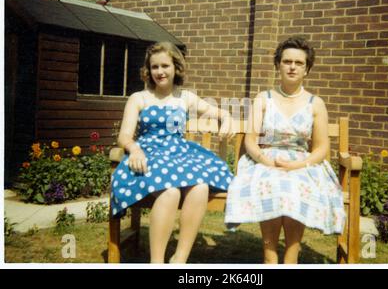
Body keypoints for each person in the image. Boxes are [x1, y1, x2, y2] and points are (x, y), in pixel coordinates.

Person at [224, 36, 345, 264]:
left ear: (307, 69)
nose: (292, 67)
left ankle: (291, 258)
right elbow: (250, 141)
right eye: (287, 61)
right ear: (278, 65)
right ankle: (269, 257)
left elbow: (321, 148)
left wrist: (298, 165)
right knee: (272, 184)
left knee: (294, 186)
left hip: (301, 162)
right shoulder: (264, 98)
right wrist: (265, 161)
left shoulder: (315, 103)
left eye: (299, 63)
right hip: (264, 158)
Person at [111, 41, 234, 263]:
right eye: (154, 67)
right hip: (148, 154)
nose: (159, 72)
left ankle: (179, 259)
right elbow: (124, 136)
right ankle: (156, 263)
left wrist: (226, 119)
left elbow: (218, 112)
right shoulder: (139, 98)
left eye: (165, 66)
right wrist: (135, 149)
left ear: (175, 67)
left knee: (200, 187)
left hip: (179, 155)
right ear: (148, 70)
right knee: (170, 192)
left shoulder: (184, 97)